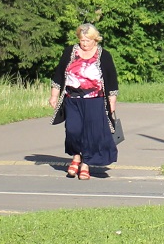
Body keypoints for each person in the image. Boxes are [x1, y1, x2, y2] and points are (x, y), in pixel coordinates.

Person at [49, 23, 119, 179]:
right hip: (72, 99)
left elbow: (111, 80)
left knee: (90, 134)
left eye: (88, 40)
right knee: (73, 130)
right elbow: (59, 74)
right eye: (82, 40)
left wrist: (112, 102)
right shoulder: (70, 52)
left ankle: (85, 163)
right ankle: (76, 156)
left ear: (95, 40)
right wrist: (54, 95)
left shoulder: (104, 55)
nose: (85, 44)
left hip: (95, 100)